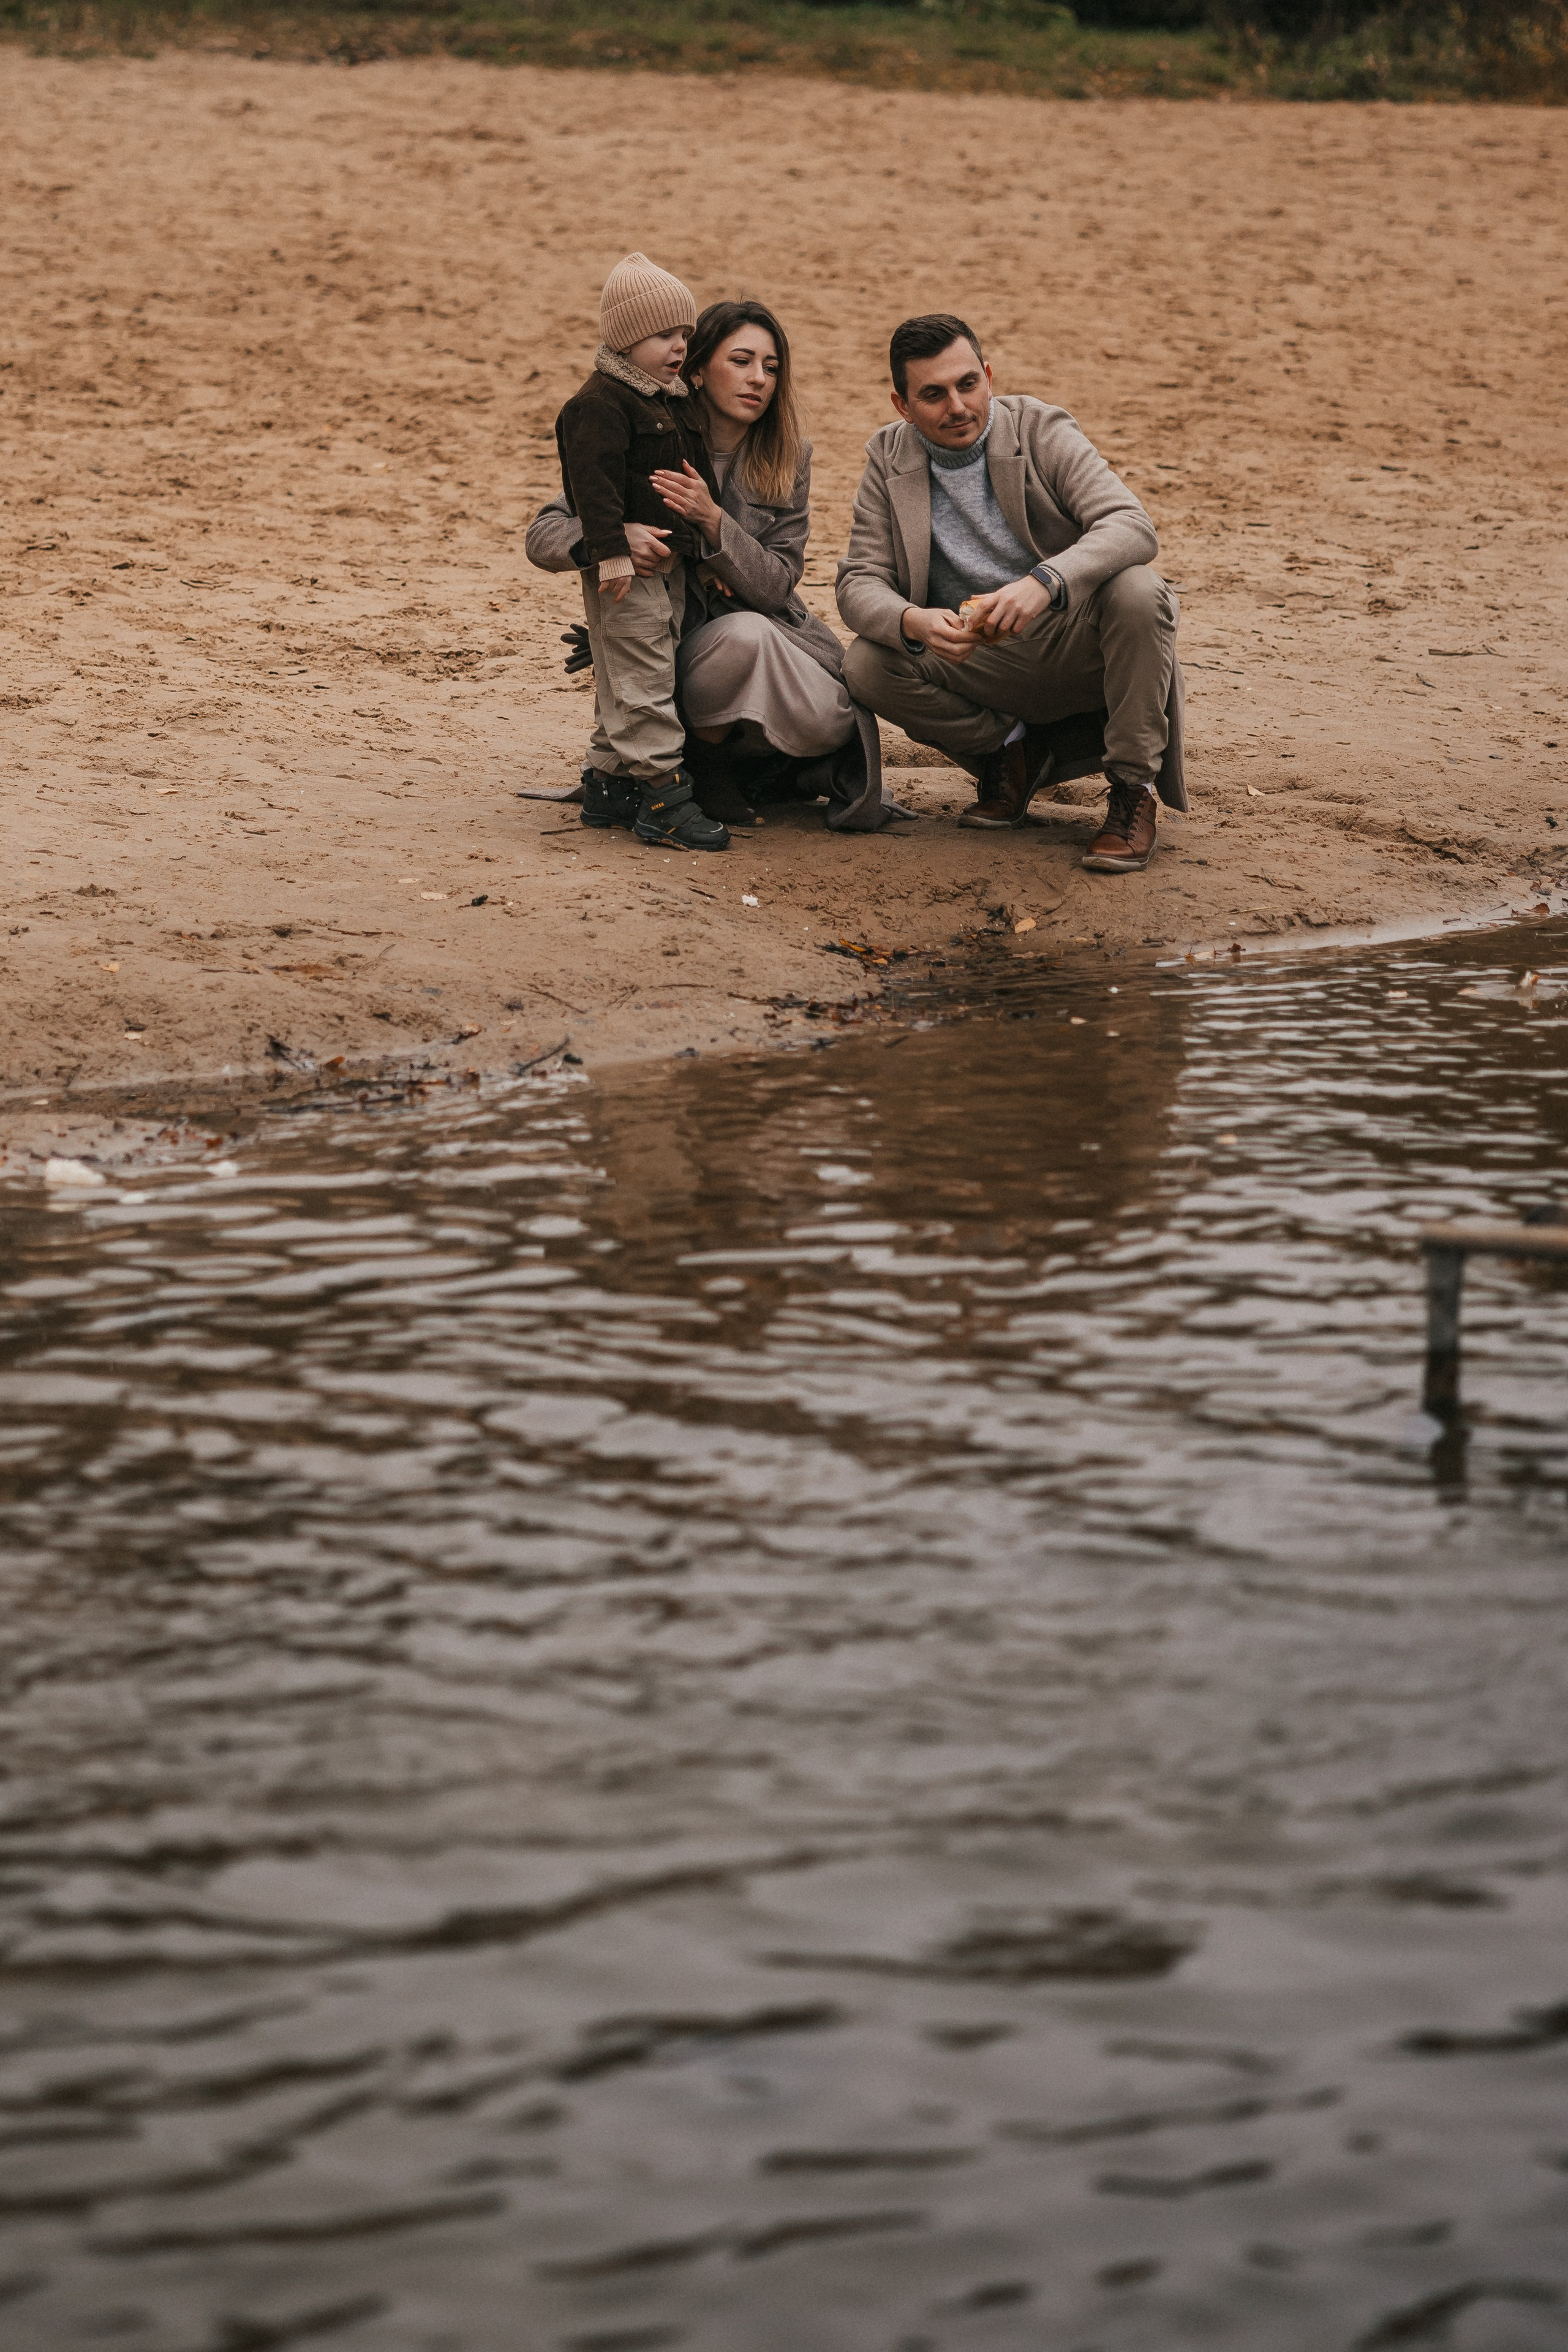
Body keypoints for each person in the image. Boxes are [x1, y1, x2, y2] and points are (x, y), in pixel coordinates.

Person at [835, 312, 1186, 873]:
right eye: (933, 394)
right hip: (976, 659)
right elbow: (858, 581)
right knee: (867, 663)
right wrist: (912, 621)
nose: (957, 406)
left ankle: (1131, 791)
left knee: (1140, 591)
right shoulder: (887, 457)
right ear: (903, 406)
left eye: (968, 384)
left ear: (989, 376)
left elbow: (1131, 524)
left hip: (1074, 644)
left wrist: (1045, 583)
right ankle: (1012, 753)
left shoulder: (1040, 428)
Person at [529, 300, 889, 832]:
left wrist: (716, 522)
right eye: (741, 361)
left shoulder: (790, 457)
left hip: (766, 639)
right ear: (696, 370)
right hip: (677, 649)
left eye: (771, 367)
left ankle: (758, 769)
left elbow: (776, 586)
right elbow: (543, 535)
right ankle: (697, 769)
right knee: (741, 636)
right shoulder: (646, 438)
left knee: (832, 718)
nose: (758, 379)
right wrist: (613, 539)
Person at [553, 251, 729, 853]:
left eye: (685, 333)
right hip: (623, 572)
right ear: (626, 339)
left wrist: (706, 557)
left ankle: (607, 782)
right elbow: (590, 490)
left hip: (670, 563)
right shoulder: (600, 405)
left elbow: (695, 479)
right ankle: (662, 797)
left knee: (630, 670)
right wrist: (611, 553)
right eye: (663, 335)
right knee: (643, 672)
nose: (679, 346)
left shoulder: (670, 399)